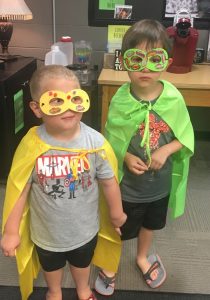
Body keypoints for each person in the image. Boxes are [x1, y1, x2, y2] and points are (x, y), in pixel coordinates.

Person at [0, 65, 127, 300]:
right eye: (56, 101)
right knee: (52, 267)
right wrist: (10, 231)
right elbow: (20, 188)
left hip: (84, 229)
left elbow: (109, 181)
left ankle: (83, 289)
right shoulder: (32, 146)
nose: (68, 107)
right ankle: (54, 292)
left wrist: (117, 214)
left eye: (74, 98)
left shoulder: (95, 143)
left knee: (82, 264)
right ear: (37, 108)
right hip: (46, 232)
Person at [94, 19, 194, 296]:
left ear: (166, 62)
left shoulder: (173, 98)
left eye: (155, 60)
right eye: (136, 59)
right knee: (118, 225)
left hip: (159, 183)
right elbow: (110, 138)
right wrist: (125, 156)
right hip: (126, 185)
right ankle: (110, 264)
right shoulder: (120, 99)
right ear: (124, 62)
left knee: (151, 223)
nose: (146, 68)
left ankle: (142, 257)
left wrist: (165, 149)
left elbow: (185, 136)